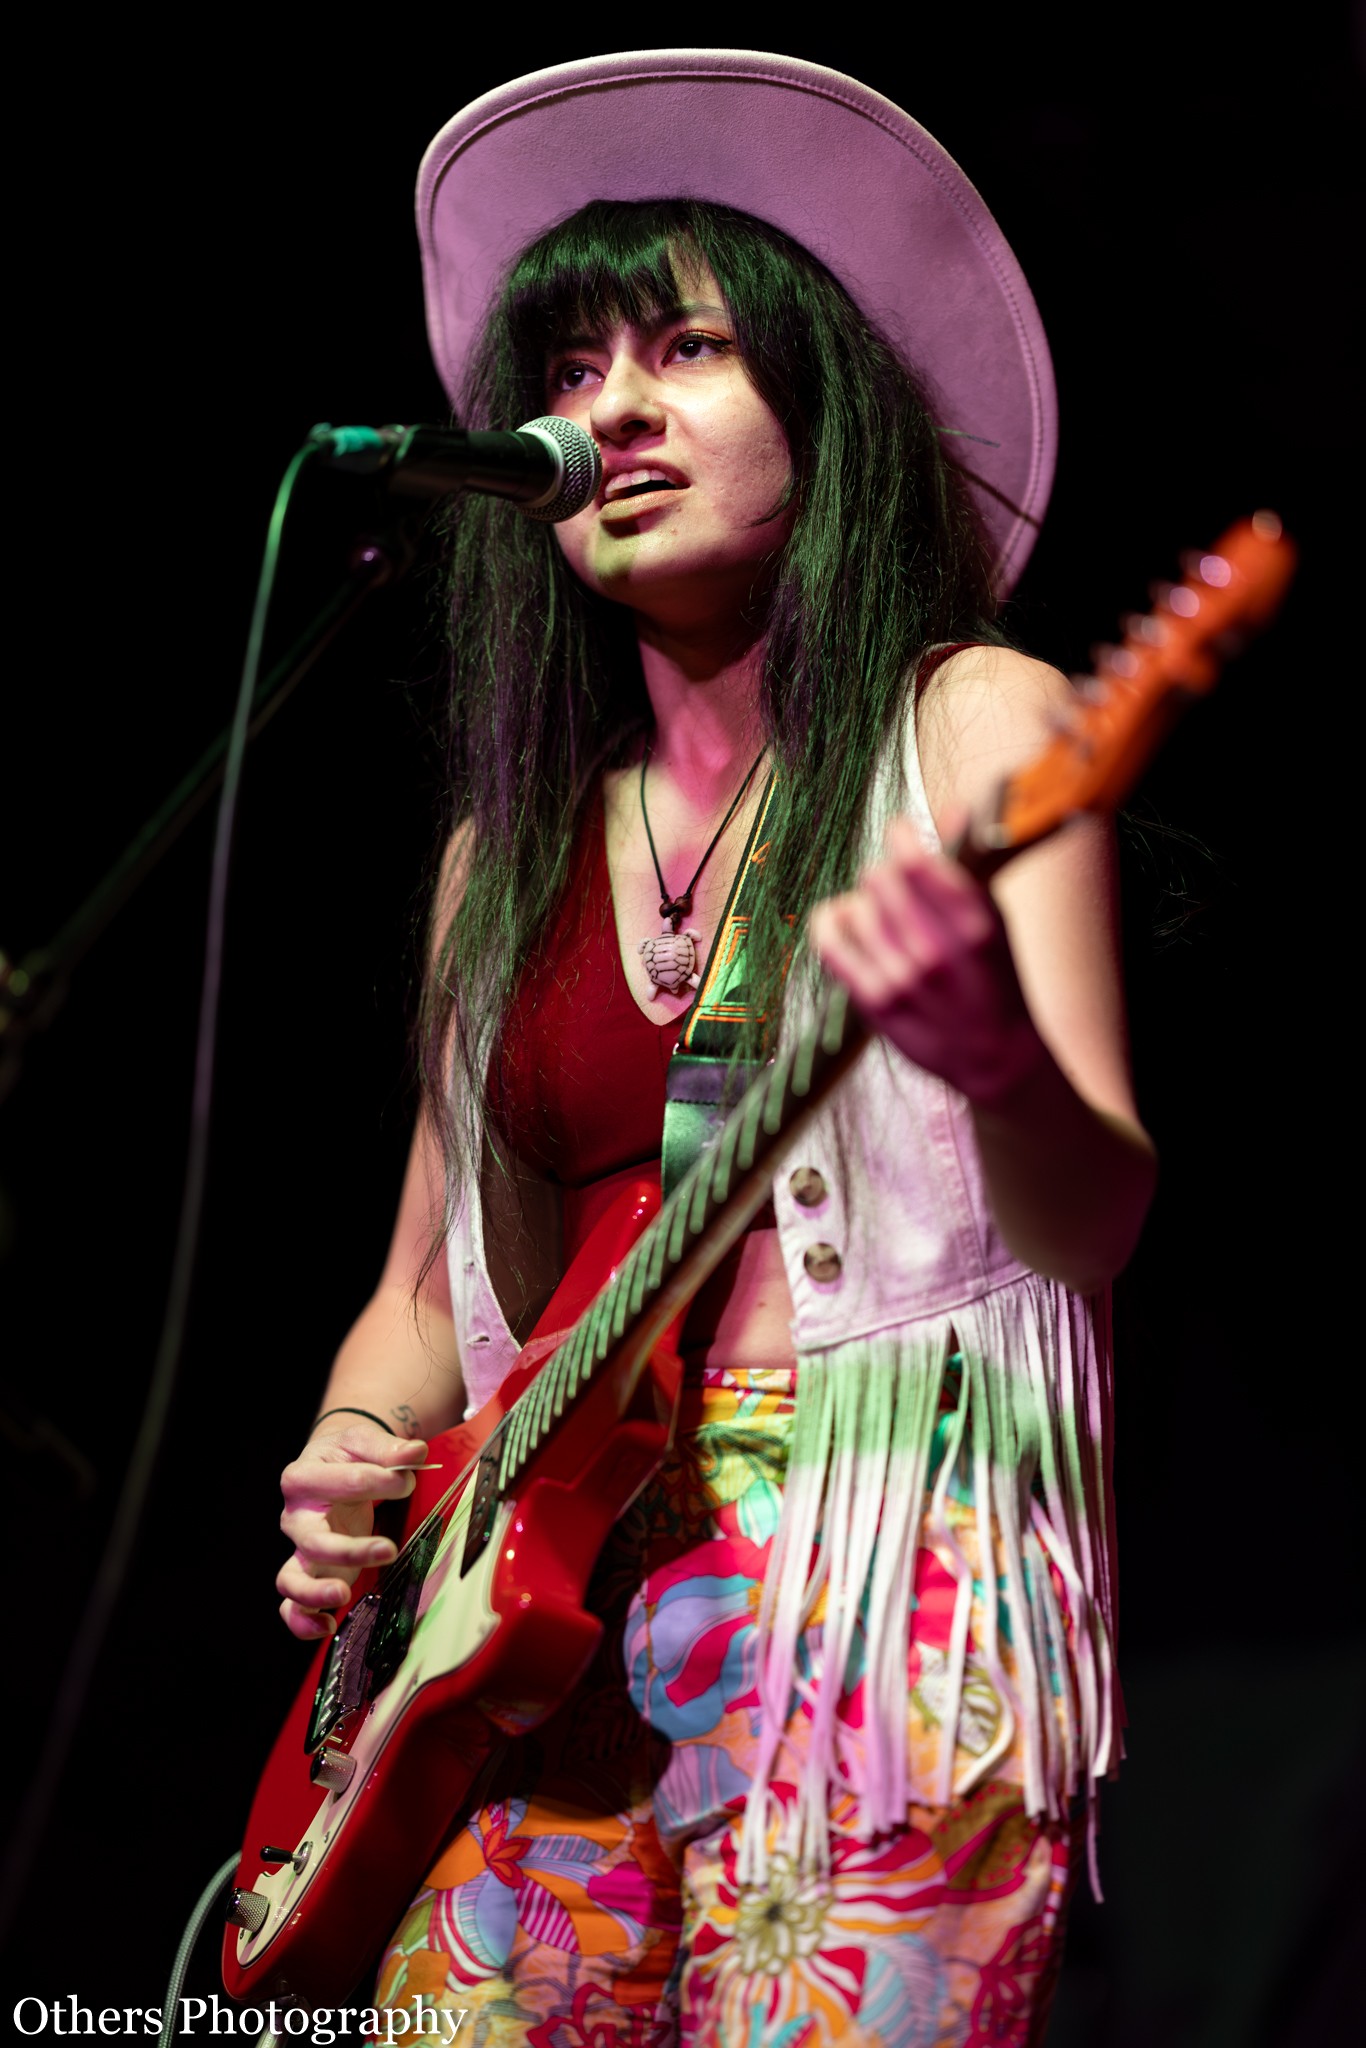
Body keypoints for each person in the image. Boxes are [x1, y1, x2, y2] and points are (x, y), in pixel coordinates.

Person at [273, 51, 1156, 2046]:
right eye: (570, 368)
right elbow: (420, 1295)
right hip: (520, 1630)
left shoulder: (977, 725)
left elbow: (1095, 1211)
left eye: (685, 350)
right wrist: (348, 1459)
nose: (609, 412)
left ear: (824, 405)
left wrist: (991, 1059)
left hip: (871, 1570)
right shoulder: (499, 854)